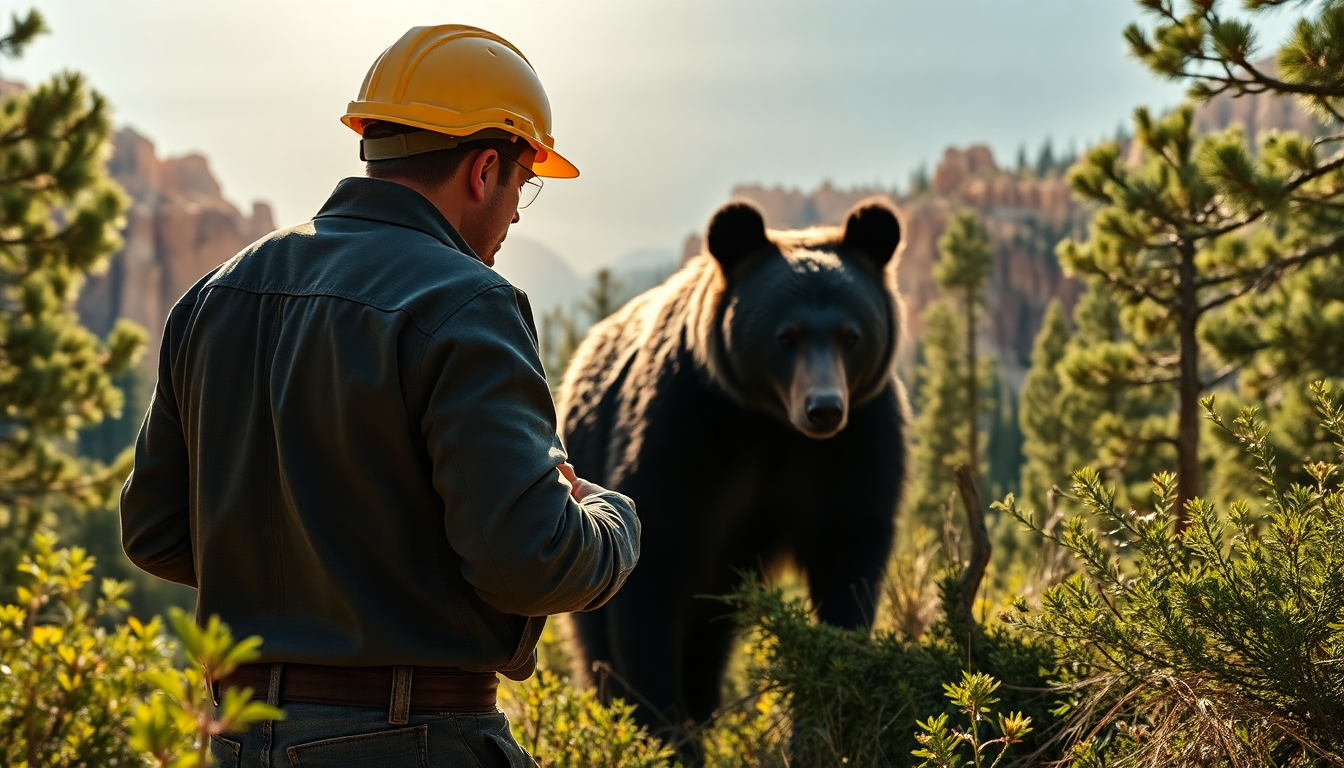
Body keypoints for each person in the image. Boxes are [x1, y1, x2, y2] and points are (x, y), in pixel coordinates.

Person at [119, 24, 639, 768]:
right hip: (414, 740)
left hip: (233, 743)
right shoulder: (466, 302)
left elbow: (157, 531)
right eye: (524, 186)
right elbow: (529, 562)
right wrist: (611, 520)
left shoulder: (215, 293)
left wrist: (308, 557)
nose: (517, 213)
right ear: (484, 168)